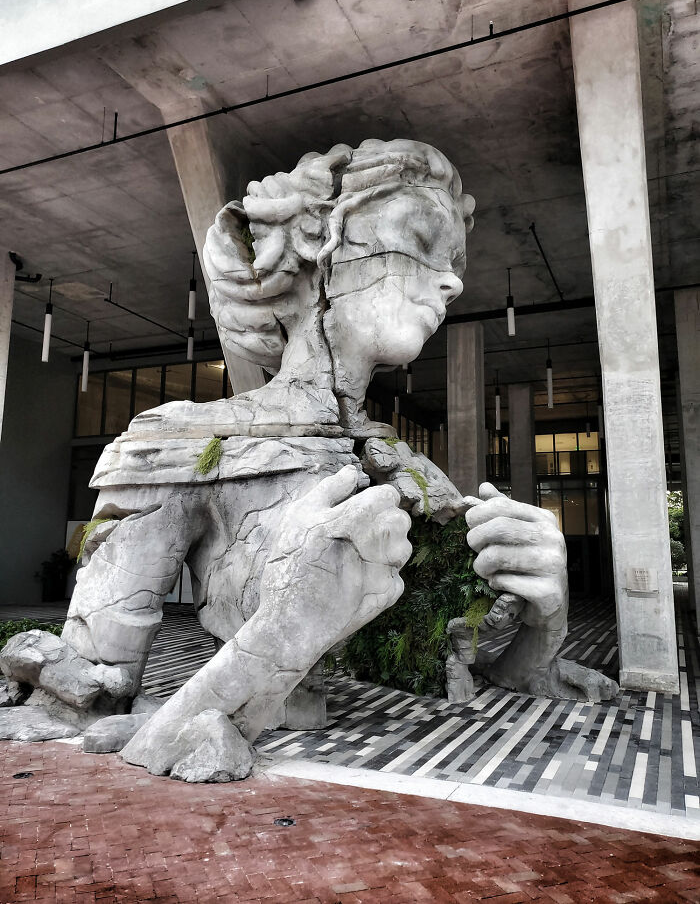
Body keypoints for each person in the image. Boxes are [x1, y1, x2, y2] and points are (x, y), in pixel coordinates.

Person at [0, 139, 616, 778]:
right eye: (419, 238)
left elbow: (449, 661)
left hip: (414, 788)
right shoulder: (173, 444)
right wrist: (292, 620)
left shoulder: (407, 469)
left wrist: (540, 624)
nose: (453, 280)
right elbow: (88, 709)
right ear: (311, 255)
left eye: (456, 260)